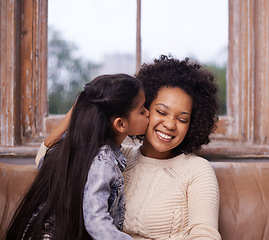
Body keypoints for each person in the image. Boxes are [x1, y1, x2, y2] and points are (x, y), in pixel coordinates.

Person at [34, 55, 222, 239]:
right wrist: (83, 105)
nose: (170, 125)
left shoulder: (197, 170)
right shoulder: (113, 158)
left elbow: (206, 236)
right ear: (142, 110)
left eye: (182, 119)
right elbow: (46, 157)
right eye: (161, 112)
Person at [6, 74, 149, 239]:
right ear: (121, 124)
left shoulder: (75, 147)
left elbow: (42, 158)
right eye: (142, 110)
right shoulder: (103, 162)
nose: (148, 114)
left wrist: (83, 105)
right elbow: (96, 222)